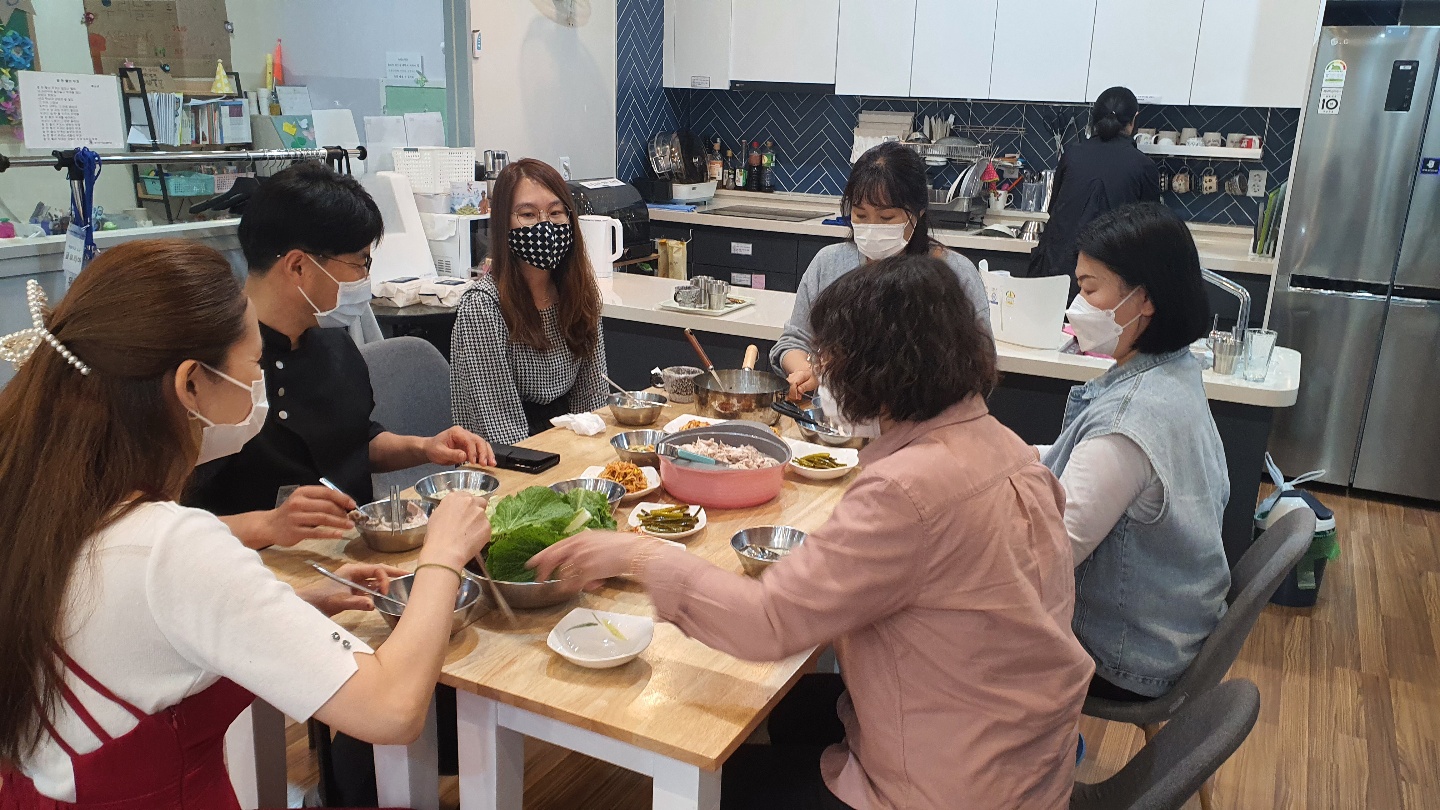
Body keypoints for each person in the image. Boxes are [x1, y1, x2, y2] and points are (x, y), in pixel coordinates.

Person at [531, 254, 1093, 810]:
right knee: (791, 708)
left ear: (880, 365)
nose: (823, 373)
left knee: (714, 773)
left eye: (831, 358)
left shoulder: (908, 488)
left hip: (951, 785)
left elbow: (767, 623)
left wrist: (638, 556)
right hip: (1027, 754)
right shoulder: (1008, 446)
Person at [0, 240, 492, 808]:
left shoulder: (42, 511)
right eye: (255, 367)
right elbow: (392, 710)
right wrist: (443, 554)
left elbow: (141, 639)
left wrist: (286, 605)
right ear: (191, 384)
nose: (261, 388)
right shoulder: (171, 545)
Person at [185, 161, 494, 550]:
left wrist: (424, 447)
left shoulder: (330, 341)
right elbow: (159, 523)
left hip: (352, 552)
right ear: (298, 266)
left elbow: (351, 443)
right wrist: (267, 524)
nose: (365, 278)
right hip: (255, 565)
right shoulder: (214, 370)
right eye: (360, 262)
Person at [1039, 202, 1228, 703]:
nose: (1076, 307)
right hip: (1174, 628)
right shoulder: (1174, 370)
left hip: (1122, 655)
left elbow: (1049, 557)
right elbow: (1087, 467)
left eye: (1089, 289)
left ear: (1142, 298)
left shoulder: (1127, 424)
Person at [769, 141, 991, 400]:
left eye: (887, 218)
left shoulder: (955, 274)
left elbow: (979, 370)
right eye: (860, 216)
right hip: (837, 417)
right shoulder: (829, 264)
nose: (872, 227)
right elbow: (795, 340)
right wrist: (808, 372)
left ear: (918, 213)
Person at [450, 158, 607, 444]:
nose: (545, 226)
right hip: (509, 457)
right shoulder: (482, 308)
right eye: (528, 215)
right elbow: (499, 432)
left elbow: (594, 401)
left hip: (572, 449)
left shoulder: (579, 294)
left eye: (556, 213)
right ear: (503, 224)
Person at [1025, 86, 1160, 291]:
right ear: (1134, 120)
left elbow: (1054, 209)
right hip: (1106, 282)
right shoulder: (1143, 166)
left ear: (1094, 117)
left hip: (1055, 276)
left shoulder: (1072, 155)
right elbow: (1151, 230)